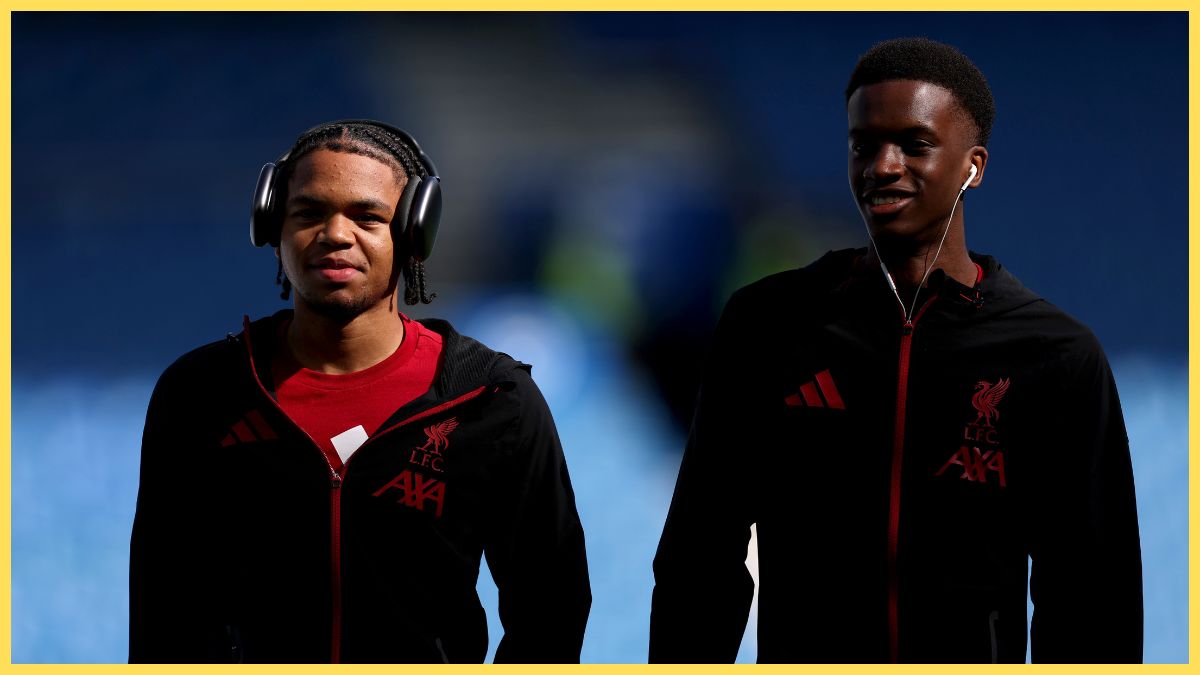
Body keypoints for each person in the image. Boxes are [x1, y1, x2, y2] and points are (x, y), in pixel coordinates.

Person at [649, 38, 1142, 664]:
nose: (882, 166)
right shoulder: (766, 325)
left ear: (973, 167)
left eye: (914, 144)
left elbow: (1093, 597)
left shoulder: (1056, 356)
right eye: (864, 145)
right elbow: (699, 554)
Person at [129, 120, 591, 664]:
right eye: (309, 213)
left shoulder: (492, 400)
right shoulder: (200, 393)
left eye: (367, 217)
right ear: (273, 227)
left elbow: (551, 607)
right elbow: (164, 614)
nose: (335, 234)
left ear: (414, 232)